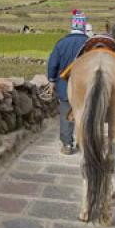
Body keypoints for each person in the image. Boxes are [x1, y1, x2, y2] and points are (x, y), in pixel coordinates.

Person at [46, 10, 89, 155]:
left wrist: (52, 80)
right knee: (85, 114)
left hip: (65, 85)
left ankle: (67, 144)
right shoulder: (90, 44)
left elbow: (53, 63)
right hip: (87, 87)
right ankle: (83, 142)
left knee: (66, 114)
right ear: (83, 26)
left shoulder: (62, 43)